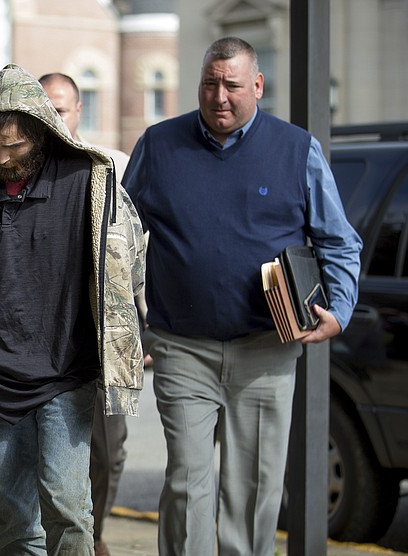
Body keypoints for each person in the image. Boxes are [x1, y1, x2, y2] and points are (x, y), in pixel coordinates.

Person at [122, 37, 363, 556]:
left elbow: (339, 240)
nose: (220, 96)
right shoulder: (159, 145)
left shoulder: (297, 149)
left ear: (257, 85)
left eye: (232, 85)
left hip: (267, 346)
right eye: (210, 84)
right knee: (188, 480)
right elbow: (115, 234)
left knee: (252, 489)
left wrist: (338, 312)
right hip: (182, 346)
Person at [0, 64, 146, 555]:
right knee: (12, 515)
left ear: (42, 133)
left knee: (66, 505)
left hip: (66, 368)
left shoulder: (86, 177)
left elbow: (130, 259)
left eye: (17, 146)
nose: (3, 156)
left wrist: (132, 335)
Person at [40, 71, 133, 556]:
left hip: (102, 341)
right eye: (46, 108)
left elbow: (137, 255)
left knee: (108, 449)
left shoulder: (112, 168)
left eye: (62, 108)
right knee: (46, 452)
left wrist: (139, 330)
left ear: (78, 111)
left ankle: (91, 535)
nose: (55, 118)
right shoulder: (15, 170)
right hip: (43, 344)